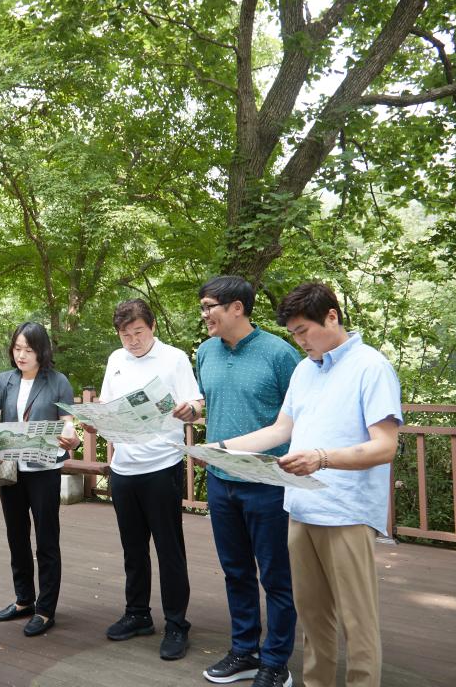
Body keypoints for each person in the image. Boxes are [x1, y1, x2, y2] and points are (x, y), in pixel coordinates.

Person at [204, 283, 402, 687]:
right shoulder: (304, 369)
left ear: (332, 316)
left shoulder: (371, 366)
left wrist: (321, 458)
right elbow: (281, 428)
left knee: (356, 620)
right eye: (294, 333)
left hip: (346, 512)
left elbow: (385, 447)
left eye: (302, 331)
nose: (300, 341)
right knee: (313, 617)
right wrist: (219, 449)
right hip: (299, 508)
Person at [195, 277, 300, 687]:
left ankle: (275, 661)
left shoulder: (280, 353)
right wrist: (194, 411)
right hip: (221, 481)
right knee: (235, 570)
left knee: (275, 576)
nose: (204, 315)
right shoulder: (205, 352)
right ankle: (244, 651)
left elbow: (297, 417)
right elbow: (212, 401)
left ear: (237, 308)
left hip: (268, 482)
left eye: (209, 306)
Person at [91, 298, 204, 661]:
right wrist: (97, 419)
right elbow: (107, 405)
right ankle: (137, 613)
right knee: (133, 548)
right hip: (124, 466)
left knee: (169, 549)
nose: (132, 341)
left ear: (152, 327)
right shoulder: (115, 360)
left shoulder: (174, 358)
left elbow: (196, 402)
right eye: (125, 335)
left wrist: (191, 409)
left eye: (138, 332)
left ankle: (176, 624)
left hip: (162, 464)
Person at [0, 322, 81, 637]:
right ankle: (24, 599)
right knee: (16, 535)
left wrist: (71, 437)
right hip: (12, 468)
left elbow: (68, 424)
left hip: (45, 470)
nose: (21, 355)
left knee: (46, 539)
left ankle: (46, 608)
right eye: (17, 348)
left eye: (29, 349)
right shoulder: (4, 380)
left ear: (41, 351)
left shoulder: (57, 381)